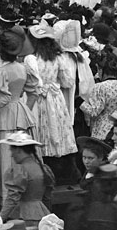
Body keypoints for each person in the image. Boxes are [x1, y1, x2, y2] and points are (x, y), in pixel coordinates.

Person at [0, 29, 38, 206]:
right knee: (23, 157)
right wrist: (25, 112)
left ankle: (7, 199)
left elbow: (5, 98)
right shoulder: (23, 69)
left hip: (4, 117)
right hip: (21, 114)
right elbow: (33, 93)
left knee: (6, 159)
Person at [25, 20, 78, 180]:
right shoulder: (58, 57)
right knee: (59, 131)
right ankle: (62, 169)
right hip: (55, 99)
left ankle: (43, 167)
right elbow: (68, 81)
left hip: (39, 99)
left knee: (42, 131)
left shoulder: (31, 59)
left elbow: (32, 83)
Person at [0, 132, 54, 230]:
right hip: (43, 216)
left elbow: (12, 198)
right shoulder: (42, 168)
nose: (11, 154)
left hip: (23, 217)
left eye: (12, 150)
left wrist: (0, 219)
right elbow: (47, 197)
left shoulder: (20, 170)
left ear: (18, 150)